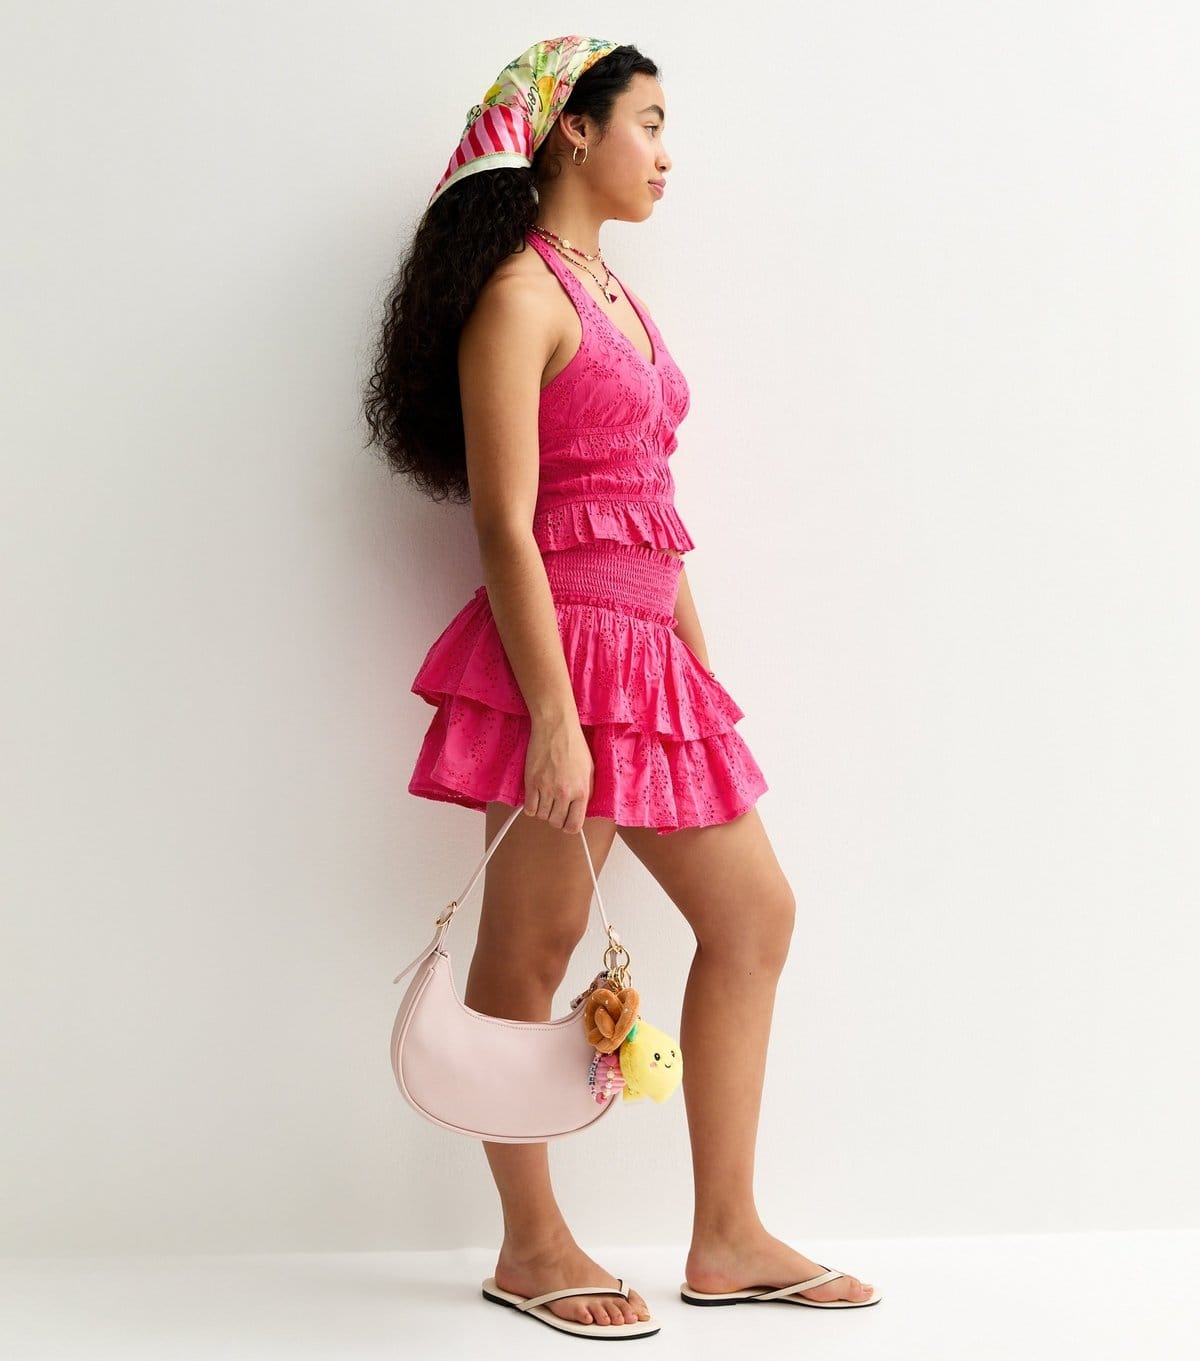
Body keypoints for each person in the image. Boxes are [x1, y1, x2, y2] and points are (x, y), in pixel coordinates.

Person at [363, 35, 879, 1340]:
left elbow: (648, 505)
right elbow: (506, 526)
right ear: (574, 132)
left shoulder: (617, 297)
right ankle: (530, 1244)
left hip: (647, 663)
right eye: (647, 123)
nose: (666, 153)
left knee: (753, 914)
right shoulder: (518, 296)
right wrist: (552, 714)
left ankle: (728, 1236)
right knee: (527, 957)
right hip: (563, 661)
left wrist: (695, 665)